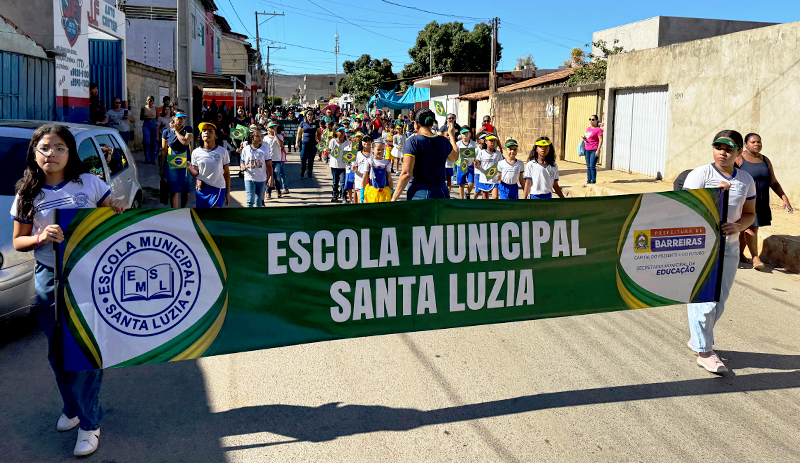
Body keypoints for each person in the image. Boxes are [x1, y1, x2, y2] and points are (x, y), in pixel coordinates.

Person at [11, 124, 128, 457]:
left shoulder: (89, 183)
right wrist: (40, 237)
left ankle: (90, 424)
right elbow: (19, 241)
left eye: (59, 148)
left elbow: (111, 213)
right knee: (58, 353)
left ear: (69, 153)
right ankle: (73, 408)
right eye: (45, 148)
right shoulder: (27, 194)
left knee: (85, 350)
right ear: (35, 153)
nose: (52, 154)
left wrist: (116, 206)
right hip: (50, 278)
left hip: (89, 278)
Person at [683, 130, 756, 374]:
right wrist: (715, 196)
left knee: (719, 301)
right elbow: (685, 208)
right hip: (701, 247)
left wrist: (738, 226)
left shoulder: (745, 180)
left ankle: (697, 338)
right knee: (704, 299)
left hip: (730, 246)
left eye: (729, 149)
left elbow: (750, 213)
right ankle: (705, 352)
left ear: (738, 153)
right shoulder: (700, 174)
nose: (722, 152)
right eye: (718, 147)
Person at [736, 133, 794, 270]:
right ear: (746, 144)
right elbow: (729, 175)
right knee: (750, 227)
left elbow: (773, 182)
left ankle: (738, 255)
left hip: (761, 199)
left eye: (759, 142)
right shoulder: (739, 159)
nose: (757, 144)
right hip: (745, 199)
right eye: (753, 142)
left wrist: (784, 198)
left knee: (747, 228)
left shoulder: (765, 160)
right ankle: (755, 258)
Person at [392, 108, 459, 201]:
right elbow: (455, 157)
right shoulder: (443, 141)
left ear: (416, 124)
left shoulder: (413, 142)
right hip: (442, 191)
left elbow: (406, 173)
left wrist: (394, 198)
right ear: (432, 124)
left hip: (420, 192)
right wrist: (451, 136)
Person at [187, 122, 231, 208]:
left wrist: (227, 192)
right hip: (201, 189)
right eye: (204, 131)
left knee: (214, 213)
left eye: (210, 131)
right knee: (203, 215)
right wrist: (189, 167)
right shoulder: (196, 152)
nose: (207, 133)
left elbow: (226, 173)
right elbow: (195, 173)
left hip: (218, 188)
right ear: (201, 135)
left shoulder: (223, 151)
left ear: (216, 136)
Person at [160, 111, 194, 208]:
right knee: (174, 190)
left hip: (186, 164)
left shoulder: (188, 129)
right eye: (179, 118)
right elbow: (164, 151)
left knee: (185, 191)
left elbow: (185, 142)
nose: (182, 120)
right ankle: (175, 211)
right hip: (172, 163)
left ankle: (182, 209)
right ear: (173, 118)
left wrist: (175, 131)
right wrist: (161, 168)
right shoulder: (166, 132)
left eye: (183, 118)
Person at [240, 124, 273, 207]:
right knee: (250, 200)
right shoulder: (246, 149)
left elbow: (269, 165)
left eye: (261, 136)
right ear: (251, 137)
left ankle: (258, 214)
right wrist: (242, 166)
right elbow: (243, 161)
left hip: (261, 178)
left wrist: (271, 177)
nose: (260, 138)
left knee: (258, 201)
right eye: (257, 136)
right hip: (249, 178)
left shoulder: (264, 149)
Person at [473, 135, 503, 199]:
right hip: (484, 178)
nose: (493, 143)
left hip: (494, 179)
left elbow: (501, 165)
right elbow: (478, 163)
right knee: (485, 198)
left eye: (494, 141)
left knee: (495, 197)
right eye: (491, 141)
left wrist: (499, 173)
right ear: (486, 141)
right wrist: (476, 164)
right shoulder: (481, 152)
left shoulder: (498, 153)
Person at [296, 110, 321, 178]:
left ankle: (310, 173)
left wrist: (320, 143)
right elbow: (299, 133)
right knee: (303, 157)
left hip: (313, 143)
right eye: (308, 114)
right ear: (306, 115)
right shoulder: (302, 123)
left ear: (313, 115)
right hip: (304, 143)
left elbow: (319, 133)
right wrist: (296, 142)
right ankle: (303, 170)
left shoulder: (316, 123)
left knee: (311, 159)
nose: (310, 116)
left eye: (311, 114)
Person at [328, 126, 350, 203]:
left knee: (343, 182)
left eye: (343, 132)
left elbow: (349, 153)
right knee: (335, 182)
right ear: (336, 132)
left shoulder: (347, 142)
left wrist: (349, 160)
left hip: (343, 166)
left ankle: (344, 196)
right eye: (340, 131)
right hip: (334, 165)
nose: (342, 133)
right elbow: (329, 150)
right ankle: (335, 195)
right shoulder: (333, 141)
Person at [265, 122, 285, 199]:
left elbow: (281, 145)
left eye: (274, 126)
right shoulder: (265, 138)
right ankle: (268, 192)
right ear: (267, 128)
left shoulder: (279, 136)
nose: (273, 128)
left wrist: (275, 135)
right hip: (268, 160)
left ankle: (278, 189)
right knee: (268, 176)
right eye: (271, 127)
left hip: (276, 159)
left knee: (277, 175)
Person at [455, 128, 477, 200]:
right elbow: (456, 154)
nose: (465, 135)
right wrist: (457, 161)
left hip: (470, 165)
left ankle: (467, 192)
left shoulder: (473, 143)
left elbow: (476, 153)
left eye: (466, 133)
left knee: (471, 183)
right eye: (463, 133)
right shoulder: (458, 144)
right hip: (462, 165)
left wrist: (474, 159)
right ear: (461, 134)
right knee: (461, 184)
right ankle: (462, 199)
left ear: (469, 134)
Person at [582, 114, 603, 184]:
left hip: (594, 149)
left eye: (593, 120)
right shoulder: (589, 128)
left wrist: (598, 150)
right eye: (590, 119)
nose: (591, 121)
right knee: (588, 166)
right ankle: (589, 180)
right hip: (587, 149)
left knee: (592, 166)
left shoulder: (598, 130)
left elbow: (600, 140)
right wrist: (585, 138)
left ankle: (593, 181)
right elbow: (587, 137)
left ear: (597, 121)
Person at [140, 95, 159, 164]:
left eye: (151, 100)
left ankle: (152, 159)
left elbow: (157, 118)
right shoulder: (143, 108)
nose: (149, 101)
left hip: (153, 123)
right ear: (146, 101)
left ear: (153, 102)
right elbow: (141, 118)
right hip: (146, 124)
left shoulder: (155, 109)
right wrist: (144, 115)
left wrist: (158, 126)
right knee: (146, 141)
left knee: (153, 141)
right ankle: (147, 158)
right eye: (148, 100)